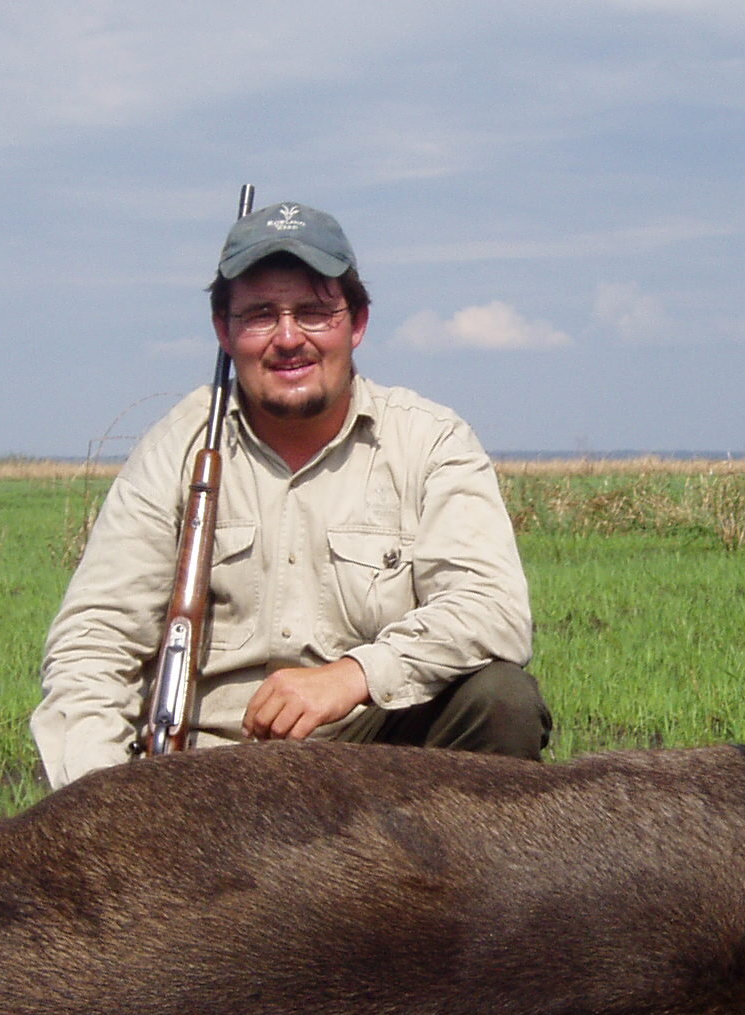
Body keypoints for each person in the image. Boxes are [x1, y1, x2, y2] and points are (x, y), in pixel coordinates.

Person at [32, 201, 550, 788]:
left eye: (313, 312)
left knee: (500, 700)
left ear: (356, 324)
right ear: (223, 332)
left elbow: (493, 610)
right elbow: (94, 640)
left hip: (371, 766)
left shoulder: (431, 441)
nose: (287, 339)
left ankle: (447, 879)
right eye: (258, 315)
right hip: (202, 782)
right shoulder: (177, 447)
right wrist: (96, 807)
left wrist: (351, 675)